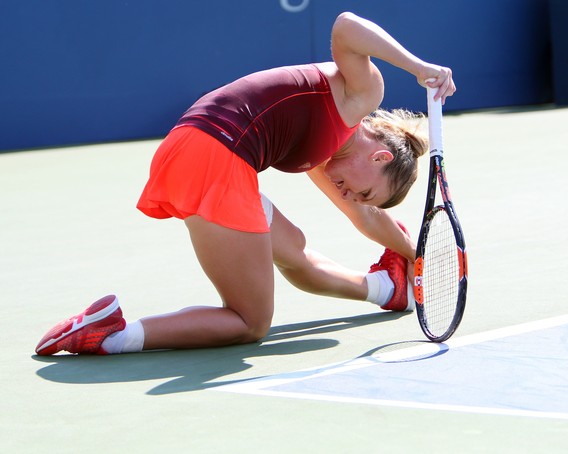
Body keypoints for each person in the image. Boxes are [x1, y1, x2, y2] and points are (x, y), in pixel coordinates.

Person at [35, 12, 456, 355]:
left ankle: (387, 289)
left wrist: (414, 256)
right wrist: (420, 69)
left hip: (191, 146)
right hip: (217, 156)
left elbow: (362, 216)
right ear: (380, 157)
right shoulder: (360, 96)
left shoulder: (324, 151)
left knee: (295, 252)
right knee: (250, 322)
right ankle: (111, 336)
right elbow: (346, 25)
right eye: (365, 190)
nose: (353, 196)